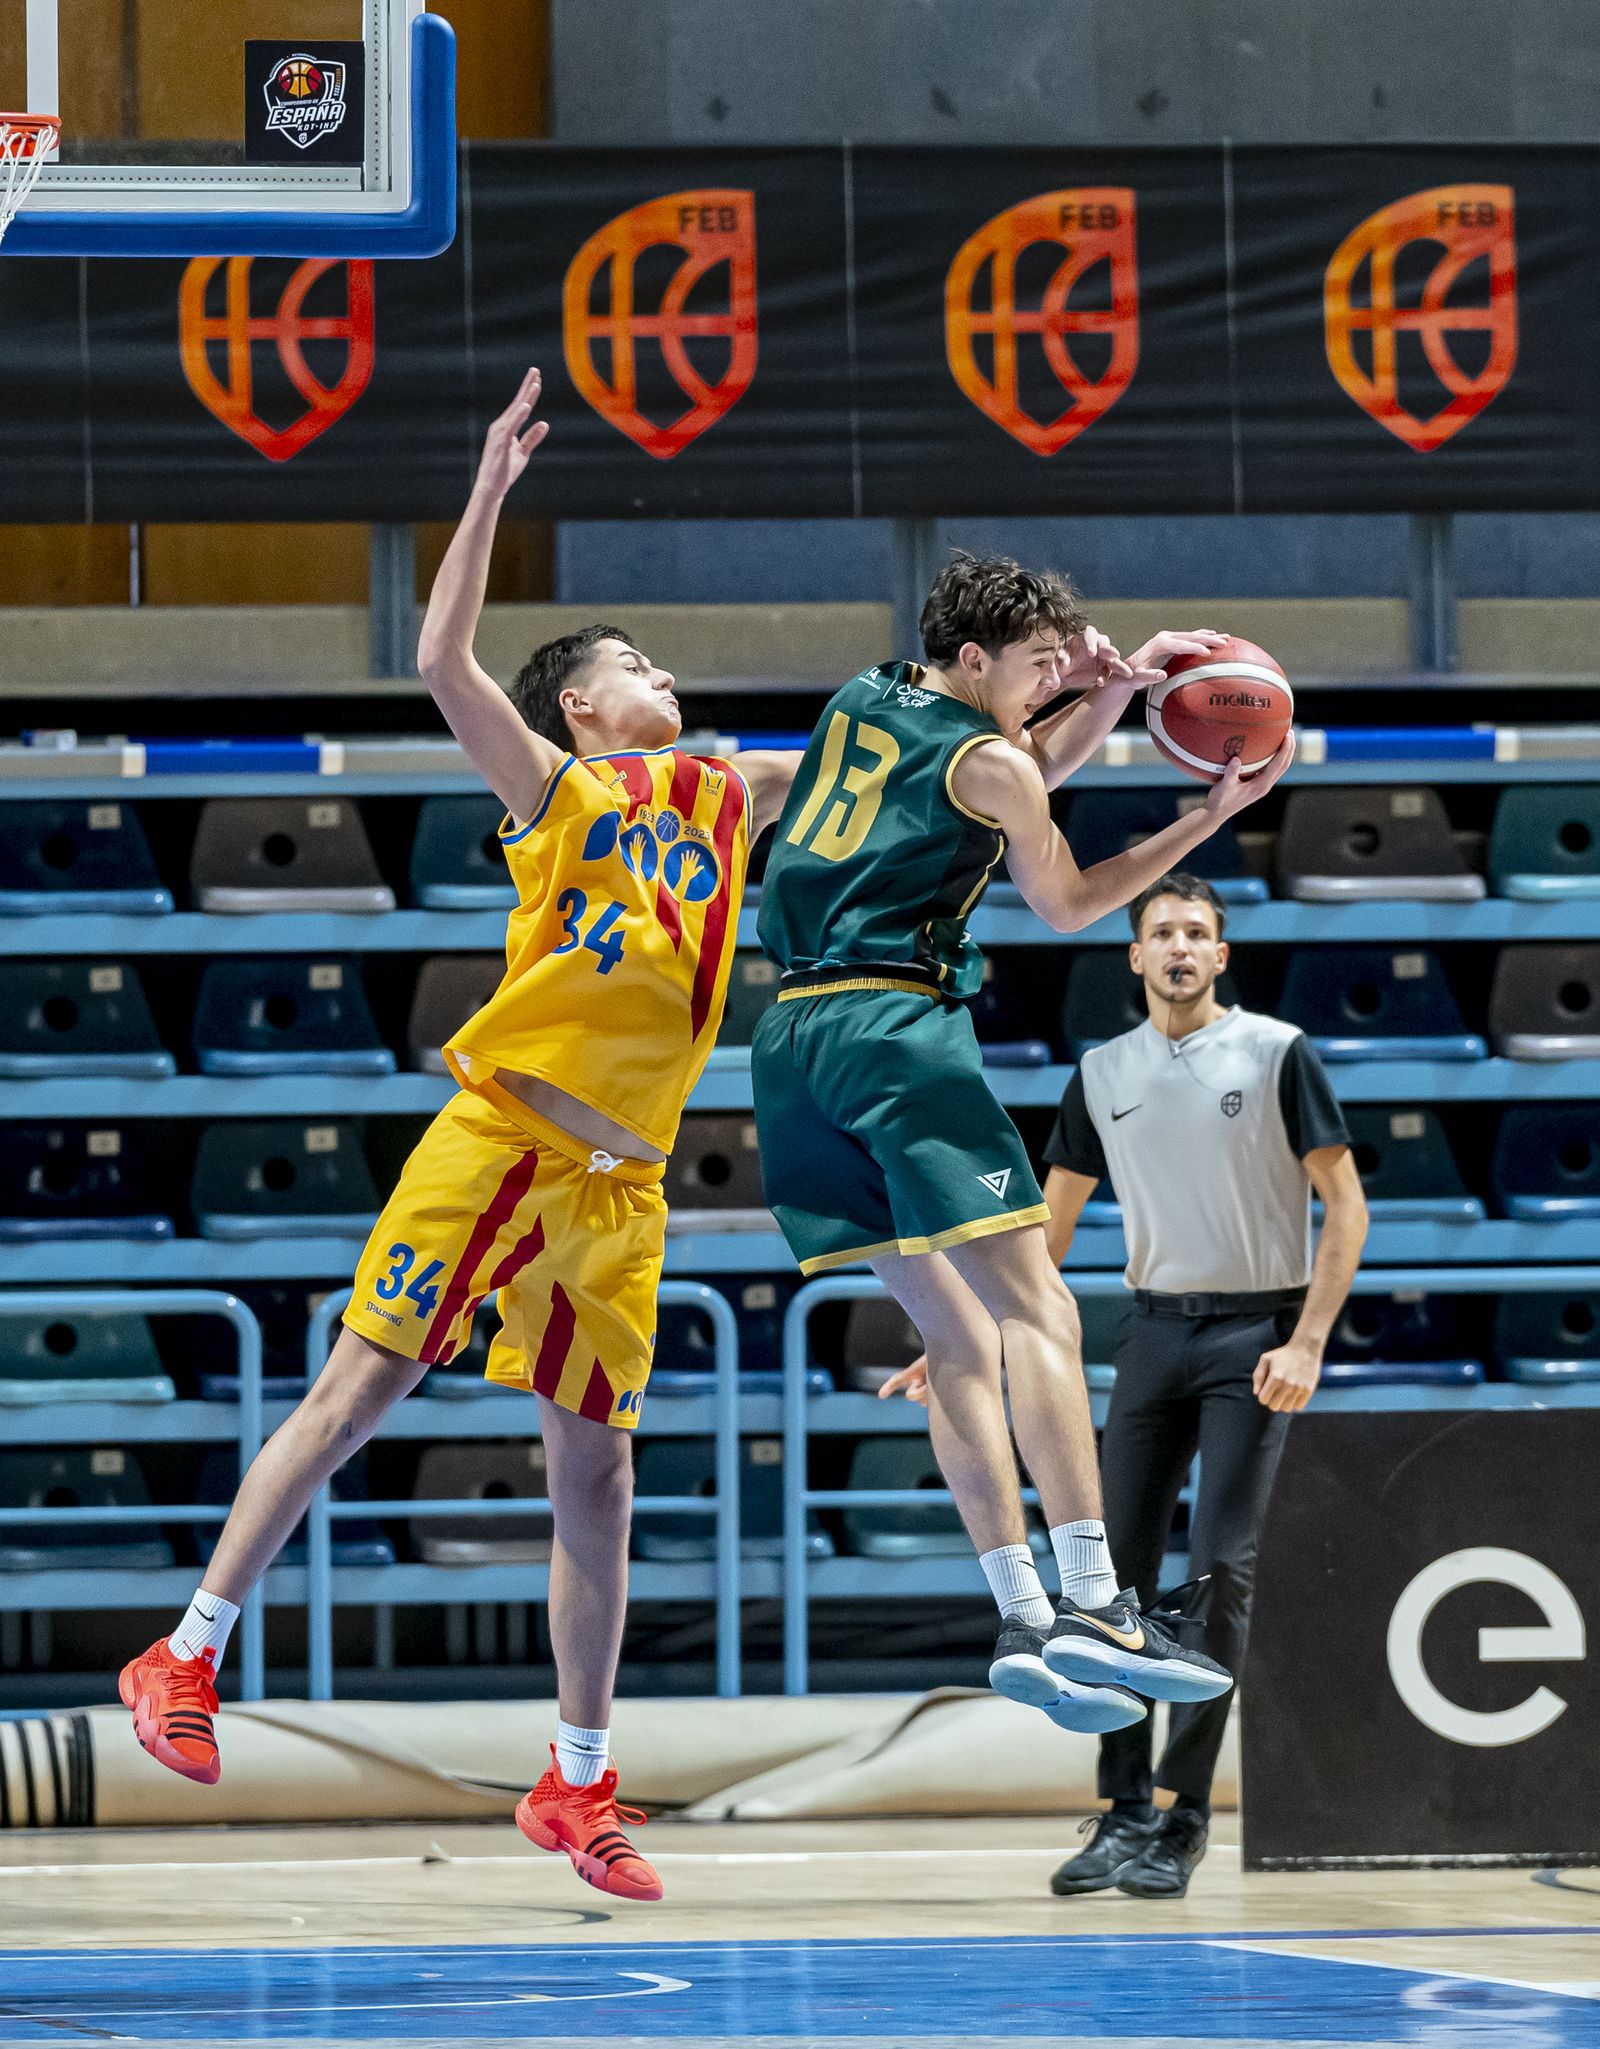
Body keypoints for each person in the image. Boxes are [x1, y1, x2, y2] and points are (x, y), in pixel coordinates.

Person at [117, 370, 800, 1904]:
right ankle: (182, 1654)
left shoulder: (735, 789)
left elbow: (912, 790)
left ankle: (576, 1784)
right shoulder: (560, 788)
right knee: (359, 1394)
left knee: (596, 1481)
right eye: (635, 661)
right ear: (578, 704)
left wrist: (1060, 709)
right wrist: (490, 485)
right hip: (502, 1138)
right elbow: (438, 656)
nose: (663, 670)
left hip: (622, 1186)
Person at [752, 551, 1293, 1736]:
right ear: (975, 658)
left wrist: (1104, 692)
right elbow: (1063, 897)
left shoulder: (870, 692)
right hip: (895, 1027)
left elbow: (1004, 781)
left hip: (789, 1044)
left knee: (951, 1333)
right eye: (1039, 663)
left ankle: (1022, 1615)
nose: (1057, 677)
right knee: (1036, 1310)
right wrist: (1206, 815)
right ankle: (1097, 1601)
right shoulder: (991, 752)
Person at [890, 872, 1367, 1898]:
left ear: (1221, 954)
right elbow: (1041, 1244)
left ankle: (1184, 1819)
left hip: (1256, 1334)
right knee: (1110, 1583)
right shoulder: (1102, 1071)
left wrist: (1309, 1343)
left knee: (1219, 1573)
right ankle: (1120, 1813)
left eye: (1198, 932)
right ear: (1136, 957)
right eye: (1162, 932)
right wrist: (960, 1338)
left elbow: (1345, 1205)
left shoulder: (1279, 1052)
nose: (1181, 947)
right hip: (1149, 1334)